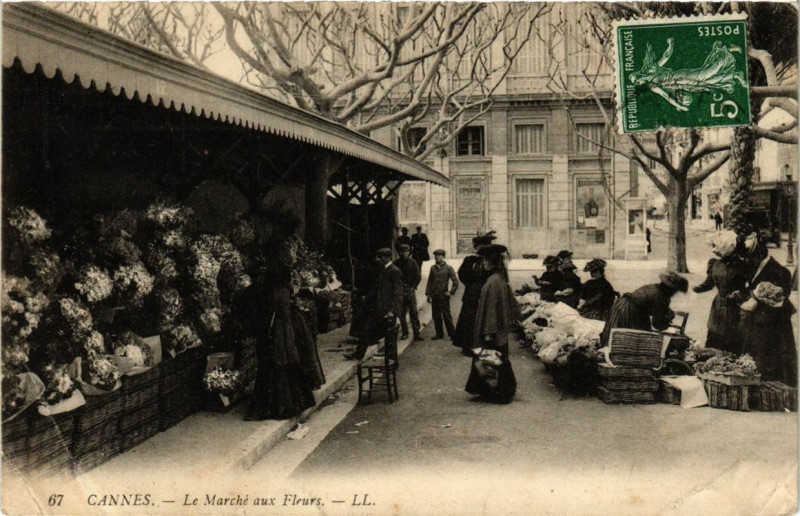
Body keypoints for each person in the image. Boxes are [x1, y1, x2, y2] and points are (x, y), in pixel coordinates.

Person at [234, 241, 316, 420]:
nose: (294, 257)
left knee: (272, 364)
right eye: (291, 254)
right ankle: (283, 406)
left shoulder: (271, 274)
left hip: (273, 324)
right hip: (277, 325)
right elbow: (280, 303)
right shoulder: (279, 276)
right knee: (280, 361)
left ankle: (276, 405)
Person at [465, 244, 520, 404]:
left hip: (492, 329)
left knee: (491, 359)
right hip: (497, 328)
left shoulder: (493, 281)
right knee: (496, 358)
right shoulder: (498, 279)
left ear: (490, 263)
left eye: (485, 261)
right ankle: (498, 390)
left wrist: (488, 332)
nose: (483, 264)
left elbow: (491, 310)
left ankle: (499, 392)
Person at [738, 239, 797, 385]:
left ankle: (774, 383)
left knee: (770, 350)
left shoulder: (779, 270)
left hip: (775, 318)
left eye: (750, 258)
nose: (748, 262)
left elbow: (783, 293)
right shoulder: (757, 267)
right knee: (759, 349)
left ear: (758, 256)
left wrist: (755, 295)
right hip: (761, 317)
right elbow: (752, 287)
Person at [599, 271, 688, 348]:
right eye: (676, 291)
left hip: (623, 305)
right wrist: (667, 320)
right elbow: (657, 323)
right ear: (671, 289)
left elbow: (654, 308)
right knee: (629, 338)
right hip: (628, 310)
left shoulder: (656, 288)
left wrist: (666, 312)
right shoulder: (660, 296)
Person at [691, 231, 747, 354]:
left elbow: (748, 287)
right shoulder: (714, 263)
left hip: (734, 309)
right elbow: (709, 284)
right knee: (713, 342)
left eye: (716, 247)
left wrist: (739, 294)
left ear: (726, 247)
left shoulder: (742, 265)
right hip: (717, 308)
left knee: (732, 345)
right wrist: (692, 288)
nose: (714, 250)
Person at [345, 248, 403, 360]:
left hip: (388, 311)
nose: (378, 259)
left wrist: (393, 311)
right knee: (366, 329)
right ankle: (359, 354)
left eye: (380, 257)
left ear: (387, 258)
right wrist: (366, 298)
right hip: (379, 309)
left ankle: (392, 362)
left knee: (390, 338)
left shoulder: (395, 271)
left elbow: (398, 294)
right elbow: (376, 288)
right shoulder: (384, 270)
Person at [454, 231, 497, 356]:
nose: (480, 249)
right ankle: (468, 346)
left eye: (485, 247)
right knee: (469, 320)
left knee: (485, 319)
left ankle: (483, 346)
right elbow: (462, 274)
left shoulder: (491, 261)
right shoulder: (470, 260)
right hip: (471, 295)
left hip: (486, 294)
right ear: (476, 248)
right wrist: (472, 283)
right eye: (479, 247)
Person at [426, 249, 459, 340]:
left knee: (446, 316)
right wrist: (428, 294)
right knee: (436, 316)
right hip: (435, 296)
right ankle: (439, 334)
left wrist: (451, 292)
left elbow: (456, 282)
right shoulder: (433, 268)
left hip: (443, 296)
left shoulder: (448, 268)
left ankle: (452, 334)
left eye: (439, 256)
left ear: (443, 257)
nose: (437, 257)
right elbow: (430, 281)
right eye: (436, 256)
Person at [393, 244, 423, 341]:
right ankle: (405, 333)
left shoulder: (413, 262)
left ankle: (417, 333)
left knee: (413, 312)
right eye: (403, 252)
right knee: (402, 313)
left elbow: (418, 276)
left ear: (409, 252)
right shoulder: (396, 263)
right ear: (399, 253)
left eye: (407, 251)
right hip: (400, 291)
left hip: (410, 290)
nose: (405, 253)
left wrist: (413, 287)